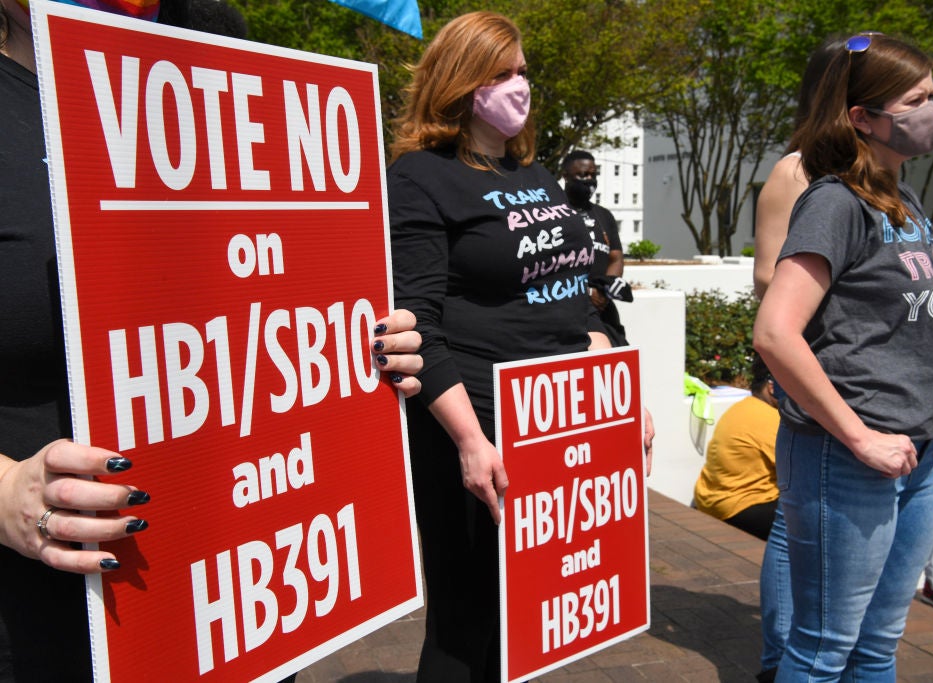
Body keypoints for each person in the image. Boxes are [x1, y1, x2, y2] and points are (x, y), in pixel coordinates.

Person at [0, 1, 422, 679]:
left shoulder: (241, 85)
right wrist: (4, 491)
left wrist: (366, 343)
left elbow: (275, 301)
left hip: (240, 609)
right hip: (46, 622)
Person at [387, 12, 654, 682]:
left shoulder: (533, 176)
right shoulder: (420, 176)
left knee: (526, 614)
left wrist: (616, 394)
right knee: (465, 614)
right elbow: (419, 320)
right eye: (501, 73)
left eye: (524, 72)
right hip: (474, 422)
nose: (519, 86)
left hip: (554, 419)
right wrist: (470, 441)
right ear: (461, 80)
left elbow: (570, 297)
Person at [751, 35, 933, 683]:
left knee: (878, 643)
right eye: (915, 99)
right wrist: (860, 435)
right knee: (822, 648)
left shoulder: (907, 202)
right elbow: (776, 332)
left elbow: (917, 323)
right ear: (862, 117)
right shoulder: (835, 203)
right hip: (850, 460)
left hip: (920, 459)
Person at [692, 354, 779, 540]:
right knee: (813, 513)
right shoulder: (769, 419)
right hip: (739, 507)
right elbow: (797, 471)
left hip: (709, 499)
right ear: (772, 388)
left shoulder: (741, 408)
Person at [560, 149, 633, 346]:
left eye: (593, 174)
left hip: (603, 310)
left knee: (617, 356)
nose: (589, 179)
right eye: (582, 174)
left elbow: (615, 258)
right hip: (566, 306)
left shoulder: (604, 215)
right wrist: (585, 293)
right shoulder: (554, 212)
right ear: (565, 176)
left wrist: (605, 291)